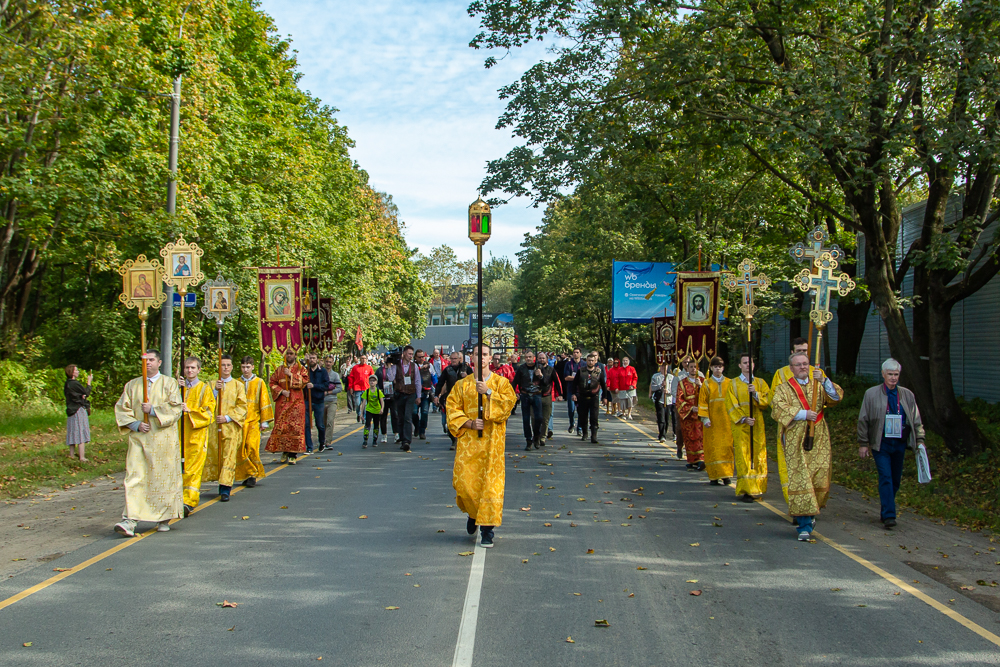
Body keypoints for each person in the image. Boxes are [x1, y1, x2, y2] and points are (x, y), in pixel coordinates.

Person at [448, 343, 517, 548]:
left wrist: (488, 393)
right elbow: (451, 408)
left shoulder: (501, 383)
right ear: (472, 358)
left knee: (490, 488)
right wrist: (469, 423)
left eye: (485, 354)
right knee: (464, 485)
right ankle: (473, 513)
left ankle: (487, 531)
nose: (482, 358)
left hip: (492, 445)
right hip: (469, 444)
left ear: (490, 359)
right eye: (478, 354)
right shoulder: (461, 385)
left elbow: (508, 405)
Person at [771, 352, 844, 540]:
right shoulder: (784, 388)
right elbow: (777, 408)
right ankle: (803, 526)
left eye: (805, 364)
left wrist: (825, 380)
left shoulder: (818, 384)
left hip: (819, 436)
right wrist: (803, 414)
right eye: (798, 364)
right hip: (796, 439)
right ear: (791, 368)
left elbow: (835, 398)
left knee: (819, 477)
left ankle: (811, 515)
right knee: (801, 480)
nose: (803, 367)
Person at [113, 350, 183, 536]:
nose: (148, 363)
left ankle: (163, 517)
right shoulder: (133, 385)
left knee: (162, 478)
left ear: (159, 362)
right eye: (145, 360)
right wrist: (135, 424)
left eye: (151, 360)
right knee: (134, 476)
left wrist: (153, 410)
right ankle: (130, 520)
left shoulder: (169, 383)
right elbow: (122, 408)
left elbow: (176, 409)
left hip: (163, 441)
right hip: (139, 439)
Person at [856, 358, 925, 529]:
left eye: (896, 374)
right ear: (883, 374)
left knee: (895, 480)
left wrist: (920, 439)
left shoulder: (907, 394)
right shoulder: (871, 394)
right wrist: (863, 443)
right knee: (885, 477)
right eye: (890, 374)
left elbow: (916, 419)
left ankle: (886, 507)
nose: (893, 378)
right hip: (881, 443)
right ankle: (889, 516)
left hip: (899, 442)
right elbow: (863, 419)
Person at [770, 337, 811, 503]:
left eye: (805, 351)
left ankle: (810, 505)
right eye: (799, 351)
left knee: (810, 467)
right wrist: (799, 414)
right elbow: (775, 402)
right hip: (790, 427)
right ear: (792, 352)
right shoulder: (781, 374)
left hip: (812, 428)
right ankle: (794, 504)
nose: (802, 355)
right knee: (791, 467)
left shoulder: (816, 373)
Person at [727, 353, 771, 502]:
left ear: (753, 365)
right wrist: (744, 418)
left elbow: (767, 400)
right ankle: (746, 489)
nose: (747, 365)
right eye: (744, 362)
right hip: (742, 426)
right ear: (740, 365)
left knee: (758, 455)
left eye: (750, 362)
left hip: (757, 424)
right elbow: (731, 404)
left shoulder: (760, 382)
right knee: (744, 456)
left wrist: (756, 394)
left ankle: (757, 487)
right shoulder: (733, 384)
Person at [205, 354, 247, 502]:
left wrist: (228, 417)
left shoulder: (238, 385)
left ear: (232, 367)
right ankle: (216, 480)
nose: (225, 368)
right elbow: (205, 403)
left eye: (228, 365)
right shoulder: (211, 384)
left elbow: (242, 407)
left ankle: (225, 488)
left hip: (230, 427)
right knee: (216, 454)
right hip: (214, 427)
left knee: (228, 456)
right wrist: (215, 391)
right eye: (223, 365)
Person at [179, 357, 215, 515]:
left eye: (193, 368)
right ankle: (176, 499)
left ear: (199, 370)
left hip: (196, 436)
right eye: (187, 368)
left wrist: (190, 411)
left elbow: (209, 412)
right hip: (179, 435)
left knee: (193, 470)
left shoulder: (204, 389)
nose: (189, 371)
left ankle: (189, 501)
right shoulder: (178, 387)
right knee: (179, 468)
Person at [266, 348, 309, 464]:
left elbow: (305, 381)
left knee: (294, 428)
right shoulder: (279, 369)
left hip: (296, 403)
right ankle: (285, 450)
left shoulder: (301, 369)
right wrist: (281, 391)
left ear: (295, 355)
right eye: (287, 354)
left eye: (291, 354)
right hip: (283, 404)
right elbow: (272, 383)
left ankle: (293, 454)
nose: (289, 356)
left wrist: (291, 375)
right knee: (282, 428)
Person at [236, 356, 272, 489]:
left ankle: (254, 474)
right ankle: (247, 473)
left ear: (252, 367)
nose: (245, 370)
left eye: (248, 367)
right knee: (241, 448)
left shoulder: (259, 382)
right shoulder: (237, 382)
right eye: (243, 367)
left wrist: (264, 421)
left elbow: (264, 400)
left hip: (253, 420)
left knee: (252, 446)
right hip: (239, 421)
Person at [699, 356, 734, 486]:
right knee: (713, 448)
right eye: (715, 367)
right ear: (711, 368)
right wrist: (705, 418)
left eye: (720, 366)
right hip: (712, 422)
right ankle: (713, 476)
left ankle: (726, 475)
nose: (718, 369)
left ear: (723, 368)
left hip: (726, 421)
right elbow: (702, 402)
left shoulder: (730, 383)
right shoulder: (707, 384)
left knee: (726, 447)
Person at [436, 351, 473, 450]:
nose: (453, 361)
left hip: (465, 398)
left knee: (463, 420)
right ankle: (453, 439)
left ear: (459, 359)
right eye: (451, 359)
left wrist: (467, 377)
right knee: (451, 421)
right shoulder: (447, 370)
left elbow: (475, 381)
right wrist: (436, 395)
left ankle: (462, 439)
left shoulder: (466, 369)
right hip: (452, 398)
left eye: (455, 359)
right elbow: (440, 382)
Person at [676, 356, 705, 470]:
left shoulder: (703, 382)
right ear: (687, 369)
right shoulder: (682, 383)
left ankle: (701, 459)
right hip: (688, 416)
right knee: (689, 437)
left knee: (700, 437)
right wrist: (690, 408)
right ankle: (691, 460)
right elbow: (679, 399)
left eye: (695, 367)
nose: (693, 369)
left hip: (701, 415)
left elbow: (708, 396)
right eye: (691, 367)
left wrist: (701, 386)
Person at [572, 351, 608, 444]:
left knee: (594, 417)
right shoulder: (581, 371)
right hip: (583, 397)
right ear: (586, 361)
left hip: (594, 397)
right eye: (589, 360)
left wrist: (605, 397)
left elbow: (604, 386)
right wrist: (574, 394)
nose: (590, 362)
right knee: (583, 417)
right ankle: (584, 433)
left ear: (595, 361)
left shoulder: (599, 372)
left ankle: (594, 435)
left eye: (592, 361)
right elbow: (574, 384)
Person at [64, 364, 93, 462]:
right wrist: (89, 382)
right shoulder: (74, 383)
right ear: (72, 372)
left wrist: (82, 396)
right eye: (76, 370)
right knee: (80, 431)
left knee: (72, 431)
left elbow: (79, 395)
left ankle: (71, 455)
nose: (78, 372)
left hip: (71, 410)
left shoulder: (67, 383)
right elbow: (86, 392)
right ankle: (82, 457)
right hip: (78, 410)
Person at [304, 352, 330, 452]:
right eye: (310, 358)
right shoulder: (306, 371)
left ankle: (322, 442)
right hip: (307, 400)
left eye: (313, 358)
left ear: (317, 359)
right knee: (306, 424)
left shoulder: (322, 371)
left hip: (319, 401)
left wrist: (314, 386)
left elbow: (326, 385)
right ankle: (309, 446)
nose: (312, 360)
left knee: (320, 424)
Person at [412, 349, 434, 439]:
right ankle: (417, 426)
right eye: (419, 357)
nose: (421, 358)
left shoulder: (429, 365)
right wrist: (420, 369)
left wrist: (437, 391)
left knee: (424, 413)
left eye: (423, 357)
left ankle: (422, 431)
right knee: (413, 412)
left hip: (426, 392)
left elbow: (434, 377)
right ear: (415, 357)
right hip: (415, 393)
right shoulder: (413, 366)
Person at [322, 355, 343, 448]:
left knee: (330, 421)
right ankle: (321, 440)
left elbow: (339, 388)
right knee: (322, 422)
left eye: (330, 362)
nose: (328, 364)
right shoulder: (320, 373)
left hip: (332, 401)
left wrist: (329, 392)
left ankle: (328, 441)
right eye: (327, 362)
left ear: (333, 363)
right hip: (321, 402)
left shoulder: (335, 375)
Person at [360, 375, 385, 448]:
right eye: (371, 381)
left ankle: (375, 440)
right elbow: (363, 403)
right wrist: (361, 413)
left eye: (373, 381)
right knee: (367, 425)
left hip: (377, 411)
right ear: (369, 382)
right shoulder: (367, 392)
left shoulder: (378, 391)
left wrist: (382, 409)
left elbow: (382, 401)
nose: (372, 382)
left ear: (376, 382)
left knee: (376, 426)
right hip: (369, 410)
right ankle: (365, 440)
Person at [563, 348, 584, 435]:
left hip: (581, 390)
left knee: (581, 410)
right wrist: (578, 378)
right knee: (571, 409)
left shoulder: (584, 364)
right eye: (574, 352)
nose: (575, 354)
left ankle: (579, 428)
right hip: (571, 389)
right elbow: (566, 377)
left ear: (580, 354)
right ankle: (572, 423)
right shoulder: (568, 364)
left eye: (577, 352)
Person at [348, 356, 374, 422]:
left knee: (365, 404)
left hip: (366, 388)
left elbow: (372, 377)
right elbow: (351, 377)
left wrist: (373, 386)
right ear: (360, 359)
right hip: (357, 388)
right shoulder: (355, 368)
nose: (363, 360)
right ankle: (358, 414)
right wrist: (351, 387)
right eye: (362, 358)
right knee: (357, 403)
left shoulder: (369, 368)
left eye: (365, 358)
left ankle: (363, 417)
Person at [649, 362, 669, 442]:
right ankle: (662, 435)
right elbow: (653, 387)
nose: (663, 368)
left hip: (668, 400)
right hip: (660, 400)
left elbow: (674, 388)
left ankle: (664, 432)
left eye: (665, 366)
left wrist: (668, 391)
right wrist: (660, 385)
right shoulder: (655, 376)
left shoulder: (671, 377)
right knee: (661, 417)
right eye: (662, 366)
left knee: (667, 419)